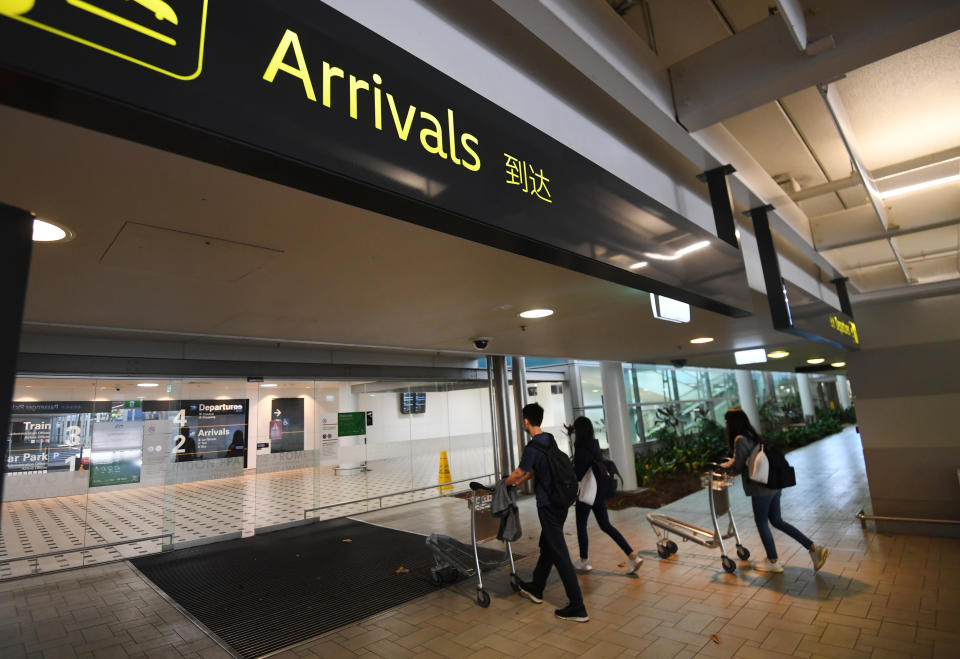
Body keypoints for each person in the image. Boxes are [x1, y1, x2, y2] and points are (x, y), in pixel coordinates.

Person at [504, 402, 588, 622]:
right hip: (562, 501)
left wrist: (504, 483)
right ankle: (536, 587)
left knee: (558, 552)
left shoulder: (532, 448)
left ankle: (578, 606)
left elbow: (519, 472)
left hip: (548, 504)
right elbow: (535, 470)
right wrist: (523, 479)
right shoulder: (548, 439)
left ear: (526, 421)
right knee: (548, 546)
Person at [721, 408, 828, 573]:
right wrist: (735, 462)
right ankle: (814, 548)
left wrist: (723, 467)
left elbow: (737, 467)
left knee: (762, 522)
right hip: (773, 486)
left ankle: (773, 560)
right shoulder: (754, 435)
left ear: (732, 423)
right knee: (777, 521)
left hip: (760, 489)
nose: (726, 425)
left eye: (727, 422)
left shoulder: (740, 439)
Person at [568, 416, 643, 574]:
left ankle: (584, 561)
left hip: (587, 495)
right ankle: (633, 556)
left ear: (579, 431)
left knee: (581, 526)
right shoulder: (595, 446)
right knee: (606, 526)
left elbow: (579, 474)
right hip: (599, 493)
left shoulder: (581, 450)